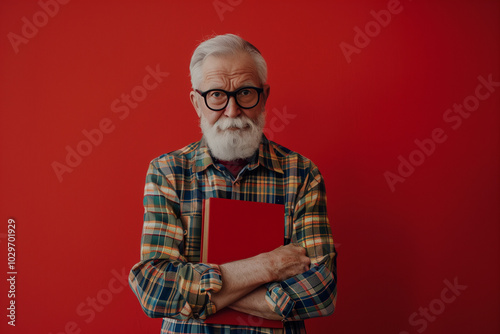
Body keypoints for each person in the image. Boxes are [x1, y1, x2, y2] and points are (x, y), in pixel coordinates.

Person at [129, 34, 337, 334]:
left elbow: (322, 290)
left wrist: (199, 292)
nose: (232, 111)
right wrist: (269, 267)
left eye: (245, 93)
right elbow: (154, 289)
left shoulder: (302, 174)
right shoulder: (168, 172)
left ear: (263, 96)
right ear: (197, 102)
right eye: (216, 95)